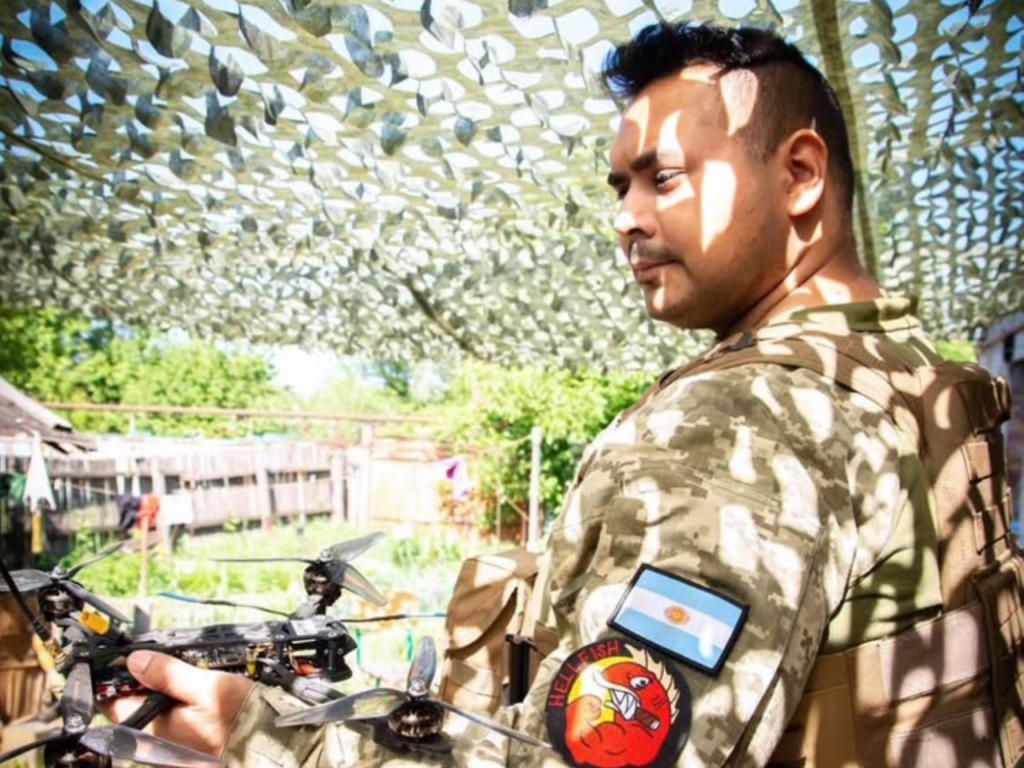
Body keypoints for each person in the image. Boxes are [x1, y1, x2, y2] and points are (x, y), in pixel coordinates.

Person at [107, 22, 1020, 768]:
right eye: (620, 185)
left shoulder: (748, 421)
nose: (626, 215)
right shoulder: (907, 376)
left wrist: (261, 736)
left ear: (800, 175)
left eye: (663, 176)